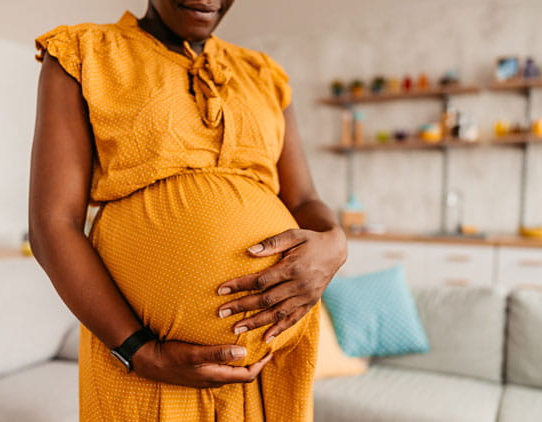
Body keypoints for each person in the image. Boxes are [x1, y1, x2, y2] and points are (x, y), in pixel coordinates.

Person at [28, 1, 347, 420]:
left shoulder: (264, 76)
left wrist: (335, 243)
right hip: (146, 368)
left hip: (269, 371)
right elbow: (53, 223)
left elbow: (303, 200)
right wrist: (140, 352)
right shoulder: (83, 53)